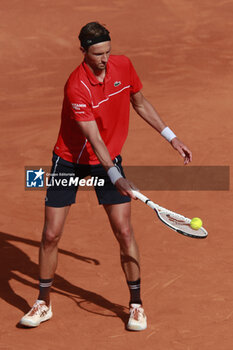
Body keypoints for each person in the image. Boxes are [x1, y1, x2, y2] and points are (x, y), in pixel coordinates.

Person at [20, 22, 192, 331]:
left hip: (107, 160)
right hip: (70, 162)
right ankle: (43, 302)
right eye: (98, 54)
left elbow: (139, 101)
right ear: (83, 51)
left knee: (124, 232)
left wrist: (171, 137)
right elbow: (93, 137)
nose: (104, 59)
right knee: (50, 234)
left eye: (108, 52)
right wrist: (115, 175)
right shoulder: (76, 85)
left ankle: (136, 305)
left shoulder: (123, 66)